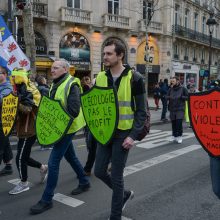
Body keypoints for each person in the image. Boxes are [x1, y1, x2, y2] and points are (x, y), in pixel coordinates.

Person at [94, 39, 147, 220]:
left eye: (109, 54)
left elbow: (142, 111)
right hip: (105, 133)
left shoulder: (136, 78)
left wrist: (132, 136)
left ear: (120, 55)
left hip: (123, 134)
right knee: (99, 171)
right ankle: (124, 194)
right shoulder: (100, 77)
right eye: (104, 53)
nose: (105, 57)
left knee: (116, 177)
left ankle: (115, 216)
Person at [30, 59, 90, 215]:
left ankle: (47, 199)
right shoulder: (55, 83)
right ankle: (84, 181)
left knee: (53, 161)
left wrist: (57, 121)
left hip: (67, 129)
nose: (52, 70)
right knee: (70, 157)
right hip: (59, 129)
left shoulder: (72, 84)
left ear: (65, 69)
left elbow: (74, 110)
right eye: (52, 68)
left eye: (55, 68)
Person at [8, 69, 48, 195]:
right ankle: (43, 167)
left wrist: (15, 102)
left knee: (20, 158)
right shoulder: (21, 88)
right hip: (23, 129)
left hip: (28, 129)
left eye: (14, 77)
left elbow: (28, 109)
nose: (12, 79)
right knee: (23, 156)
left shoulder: (28, 90)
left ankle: (24, 183)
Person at [0, 66, 13, 176]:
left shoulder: (8, 87)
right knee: (6, 144)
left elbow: (1, 100)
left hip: (3, 121)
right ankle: (8, 166)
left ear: (5, 75)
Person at [167, 76, 188, 144]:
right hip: (172, 108)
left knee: (178, 123)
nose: (172, 82)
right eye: (171, 81)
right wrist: (167, 97)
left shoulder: (183, 89)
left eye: (173, 81)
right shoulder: (170, 89)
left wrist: (182, 97)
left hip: (180, 108)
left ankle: (179, 136)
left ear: (177, 81)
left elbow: (188, 97)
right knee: (174, 123)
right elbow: (166, 96)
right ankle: (174, 135)